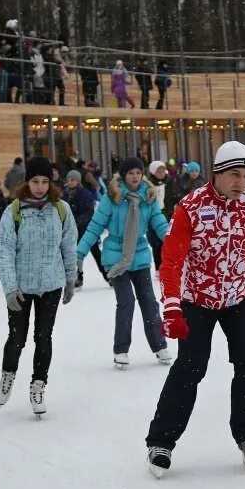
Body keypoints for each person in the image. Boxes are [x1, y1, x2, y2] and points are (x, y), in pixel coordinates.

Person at [145, 141, 245, 478]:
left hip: (241, 298)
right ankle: (162, 441)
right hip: (197, 299)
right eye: (234, 175)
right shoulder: (191, 206)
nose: (241, 182)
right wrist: (171, 307)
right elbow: (171, 260)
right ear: (217, 174)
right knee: (190, 367)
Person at [0, 157, 77, 416]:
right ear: (26, 182)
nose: (40, 187)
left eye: (44, 181)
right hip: (21, 286)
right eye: (34, 181)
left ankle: (38, 385)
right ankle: (9, 373)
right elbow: (4, 250)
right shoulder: (14, 210)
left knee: (43, 337)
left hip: (51, 284)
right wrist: (9, 287)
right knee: (17, 338)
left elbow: (68, 246)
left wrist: (70, 279)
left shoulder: (61, 209)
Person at [76, 157, 170, 369]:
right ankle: (121, 349)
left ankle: (159, 345)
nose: (135, 177)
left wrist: (174, 241)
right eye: (131, 173)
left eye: (138, 172)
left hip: (140, 255)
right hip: (116, 258)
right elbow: (95, 227)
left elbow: (159, 222)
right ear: (123, 176)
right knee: (126, 301)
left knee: (149, 301)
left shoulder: (148, 196)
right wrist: (79, 252)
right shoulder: (113, 197)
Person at [64, 170, 107, 286]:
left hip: (87, 230)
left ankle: (107, 275)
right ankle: (78, 277)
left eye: (72, 180)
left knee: (96, 253)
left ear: (77, 181)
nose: (70, 182)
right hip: (72, 231)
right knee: (74, 255)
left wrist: (78, 222)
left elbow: (89, 211)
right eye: (68, 180)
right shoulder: (65, 194)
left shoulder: (84, 193)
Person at [146, 160, 182, 271]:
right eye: (158, 171)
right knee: (155, 244)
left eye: (162, 170)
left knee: (167, 242)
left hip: (168, 216)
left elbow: (179, 197)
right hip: (152, 217)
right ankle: (158, 266)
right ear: (153, 172)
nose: (161, 173)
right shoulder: (148, 184)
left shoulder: (170, 182)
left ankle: (168, 266)